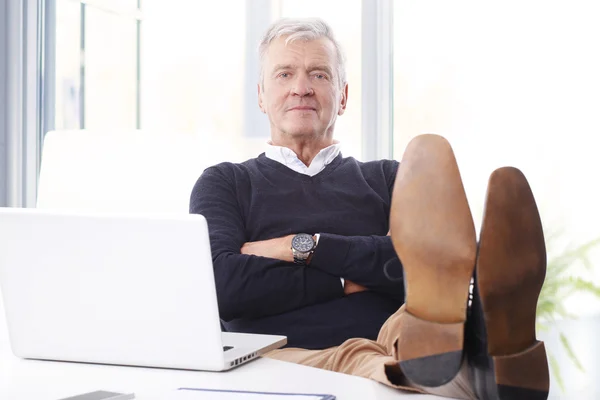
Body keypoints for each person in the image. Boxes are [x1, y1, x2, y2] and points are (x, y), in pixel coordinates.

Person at [190, 17, 549, 400]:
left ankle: (489, 342)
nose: (301, 88)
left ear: (343, 96)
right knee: (388, 366)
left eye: (319, 75)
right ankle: (497, 357)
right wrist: (348, 279)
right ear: (261, 95)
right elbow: (224, 285)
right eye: (284, 74)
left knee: (423, 321)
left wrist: (301, 245)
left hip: (402, 331)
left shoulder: (391, 178)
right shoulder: (225, 183)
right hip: (288, 353)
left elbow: (420, 267)